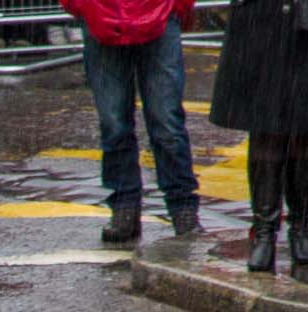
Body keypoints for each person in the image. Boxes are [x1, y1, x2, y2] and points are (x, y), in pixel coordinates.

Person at [208, 0, 308, 271]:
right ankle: (264, 230)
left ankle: (301, 227)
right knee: (265, 125)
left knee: (306, 125)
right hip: (262, 16)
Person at [61, 0, 202, 244]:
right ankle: (131, 205)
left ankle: (180, 208)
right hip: (104, 16)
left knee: (164, 122)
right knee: (117, 123)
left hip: (151, 14)